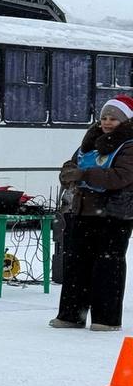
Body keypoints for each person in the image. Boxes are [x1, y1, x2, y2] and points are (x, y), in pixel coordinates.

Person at [51, 94, 133, 331]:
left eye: (113, 119)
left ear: (124, 121)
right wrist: (68, 172)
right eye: (104, 118)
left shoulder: (128, 145)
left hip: (114, 213)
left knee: (107, 265)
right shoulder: (90, 142)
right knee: (76, 263)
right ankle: (71, 315)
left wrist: (84, 175)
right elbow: (74, 163)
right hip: (83, 210)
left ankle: (106, 319)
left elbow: (121, 177)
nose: (107, 122)